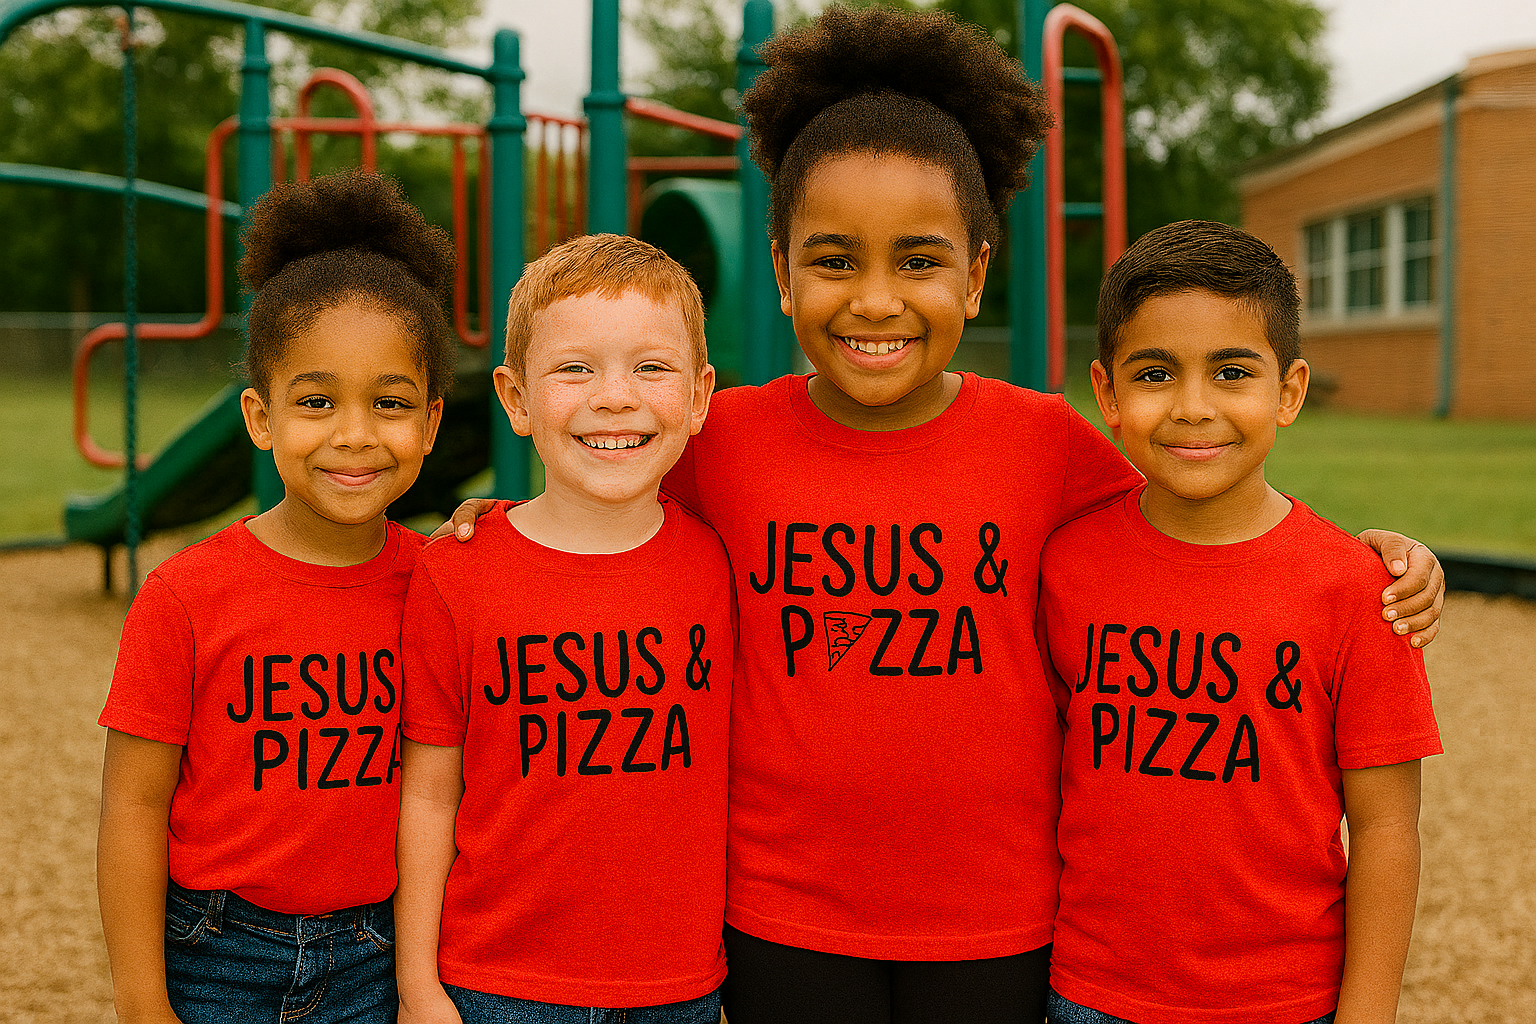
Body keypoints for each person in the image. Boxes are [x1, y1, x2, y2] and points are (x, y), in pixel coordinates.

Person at [444, 8, 1444, 1022]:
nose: (876, 299)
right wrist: (499, 513)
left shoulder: (1045, 441)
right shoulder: (725, 441)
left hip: (1002, 920)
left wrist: (1382, 555)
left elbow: (1197, 501)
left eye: (918, 261)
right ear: (783, 273)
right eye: (835, 261)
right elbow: (608, 496)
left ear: (973, 273)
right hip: (782, 914)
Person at [1036, 219, 1440, 1024]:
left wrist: (1367, 1014)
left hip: (1283, 1001)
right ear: (1107, 393)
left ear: (1288, 392)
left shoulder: (1358, 589)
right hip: (1091, 992)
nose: (1193, 408)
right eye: (1155, 373)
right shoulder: (1065, 562)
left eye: (1231, 372)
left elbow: (1387, 828)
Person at [96, 169, 453, 1023]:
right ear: (260, 418)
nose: (356, 434)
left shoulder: (443, 582)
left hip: (377, 953)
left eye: (391, 403)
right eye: (317, 400)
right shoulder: (186, 595)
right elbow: (134, 804)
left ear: (432, 424)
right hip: (216, 950)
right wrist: (143, 1001)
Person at [394, 233, 731, 1024]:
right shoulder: (456, 573)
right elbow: (429, 795)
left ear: (700, 394)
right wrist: (418, 986)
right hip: (496, 984)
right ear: (514, 399)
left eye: (651, 367)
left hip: (677, 987)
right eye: (574, 368)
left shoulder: (722, 561)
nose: (613, 396)